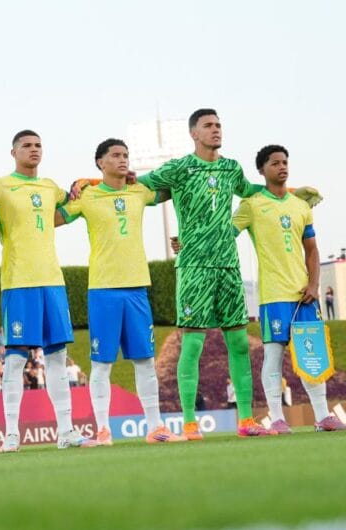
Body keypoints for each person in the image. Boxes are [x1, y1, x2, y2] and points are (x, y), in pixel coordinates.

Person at [126, 109, 273, 438]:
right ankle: (190, 423)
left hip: (228, 266)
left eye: (219, 124)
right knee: (192, 345)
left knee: (237, 343)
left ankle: (246, 420)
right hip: (194, 267)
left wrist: (288, 191)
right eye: (208, 125)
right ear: (194, 133)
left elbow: (251, 191)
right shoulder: (180, 168)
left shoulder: (231, 168)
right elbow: (144, 189)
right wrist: (110, 181)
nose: (216, 129)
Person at [56, 138, 184, 445]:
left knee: (145, 360)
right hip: (103, 289)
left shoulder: (138, 191)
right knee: (101, 364)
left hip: (138, 288)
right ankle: (103, 429)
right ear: (101, 162)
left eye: (125, 154)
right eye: (116, 155)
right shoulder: (87, 195)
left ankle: (155, 428)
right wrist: (76, 185)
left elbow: (171, 189)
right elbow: (54, 218)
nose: (123, 159)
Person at [0, 130, 94, 451]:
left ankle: (66, 432)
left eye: (38, 145)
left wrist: (82, 194)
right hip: (18, 282)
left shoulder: (49, 187)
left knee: (58, 357)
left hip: (53, 281)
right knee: (15, 360)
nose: (33, 150)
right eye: (26, 146)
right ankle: (11, 434)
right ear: (12, 152)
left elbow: (62, 211)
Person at [231, 145, 345, 432]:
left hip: (304, 294)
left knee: (312, 355)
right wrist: (189, 243)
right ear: (261, 170)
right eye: (274, 163)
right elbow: (224, 234)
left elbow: (312, 250)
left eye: (285, 162)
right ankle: (277, 419)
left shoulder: (300, 206)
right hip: (273, 296)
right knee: (273, 356)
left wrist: (314, 283)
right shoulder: (252, 205)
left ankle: (322, 417)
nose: (282, 167)